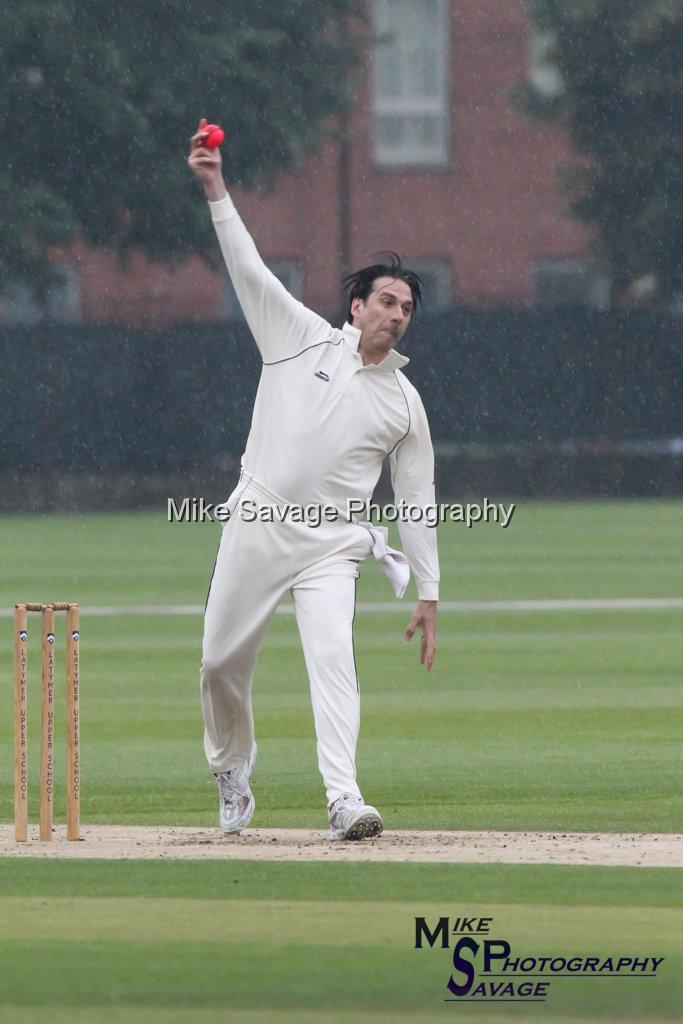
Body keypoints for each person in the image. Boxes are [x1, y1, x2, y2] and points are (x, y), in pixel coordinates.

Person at [187, 117, 439, 841]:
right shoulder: (296, 337)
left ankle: (344, 799)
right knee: (217, 663)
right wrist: (216, 190)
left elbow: (416, 500)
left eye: (407, 308)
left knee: (332, 657)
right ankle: (231, 772)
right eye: (386, 302)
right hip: (258, 523)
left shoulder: (402, 400)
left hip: (334, 544)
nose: (396, 315)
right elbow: (248, 268)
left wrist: (428, 591)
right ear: (357, 306)